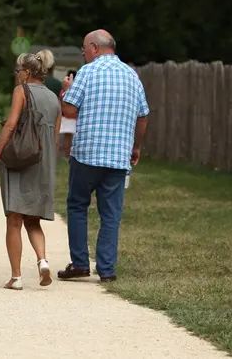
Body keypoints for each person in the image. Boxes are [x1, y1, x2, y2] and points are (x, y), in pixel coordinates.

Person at [57, 29, 149, 283]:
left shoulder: (87, 72)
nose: (84, 53)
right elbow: (142, 116)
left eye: (84, 48)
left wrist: (65, 90)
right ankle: (107, 270)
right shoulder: (132, 75)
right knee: (111, 214)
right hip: (119, 156)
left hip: (87, 153)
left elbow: (69, 111)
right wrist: (136, 147)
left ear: (95, 48)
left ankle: (79, 264)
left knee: (77, 206)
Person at [0, 50, 61, 290]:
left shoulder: (21, 91)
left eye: (17, 71)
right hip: (43, 162)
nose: (16, 75)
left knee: (14, 219)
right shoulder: (54, 98)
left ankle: (16, 277)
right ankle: (42, 261)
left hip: (20, 161)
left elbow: (12, 124)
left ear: (26, 73)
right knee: (33, 220)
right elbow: (54, 137)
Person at [59, 69, 78, 157]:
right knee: (73, 139)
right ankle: (70, 155)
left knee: (67, 138)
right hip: (75, 117)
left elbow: (61, 101)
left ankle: (67, 155)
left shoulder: (63, 89)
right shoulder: (77, 89)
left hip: (66, 116)